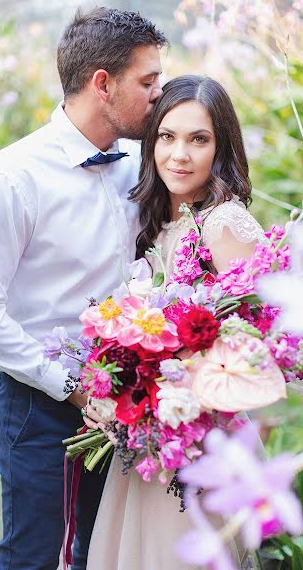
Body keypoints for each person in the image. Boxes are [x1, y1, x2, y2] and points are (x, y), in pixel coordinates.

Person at [0, 7, 167, 570]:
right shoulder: (12, 177)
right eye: (148, 82)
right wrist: (70, 386)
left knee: (105, 551)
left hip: (129, 398)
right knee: (34, 554)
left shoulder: (144, 165)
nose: (158, 94)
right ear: (102, 83)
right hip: (41, 403)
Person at [84, 75, 265, 569]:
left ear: (221, 147)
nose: (179, 155)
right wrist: (116, 391)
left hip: (201, 441)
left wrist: (170, 383)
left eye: (198, 139)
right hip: (148, 440)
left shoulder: (224, 224)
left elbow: (257, 353)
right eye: (167, 136)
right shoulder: (158, 221)